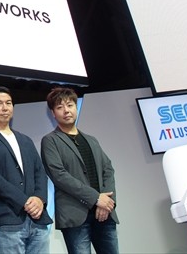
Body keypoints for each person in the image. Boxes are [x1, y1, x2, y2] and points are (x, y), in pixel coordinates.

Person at [0, 86, 52, 254]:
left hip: (37, 220)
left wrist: (39, 199)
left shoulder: (26, 140)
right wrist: (24, 202)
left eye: (8, 103)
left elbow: (40, 172)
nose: (5, 108)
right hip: (8, 221)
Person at [41, 87, 119, 254]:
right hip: (75, 216)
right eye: (60, 107)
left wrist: (106, 202)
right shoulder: (50, 141)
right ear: (53, 113)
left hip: (104, 213)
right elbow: (59, 175)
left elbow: (108, 169)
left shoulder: (91, 140)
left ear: (76, 108)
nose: (66, 110)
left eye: (70, 105)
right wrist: (96, 198)